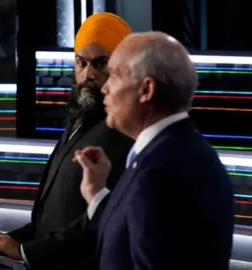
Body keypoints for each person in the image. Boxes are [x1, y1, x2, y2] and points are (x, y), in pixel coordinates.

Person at [0, 13, 134, 270]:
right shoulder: (79, 120)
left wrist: (24, 251)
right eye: (81, 62)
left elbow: (99, 222)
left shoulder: (122, 133)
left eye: (100, 63)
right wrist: (10, 238)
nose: (88, 74)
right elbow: (52, 219)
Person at [74, 32, 234, 270]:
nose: (105, 87)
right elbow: (128, 237)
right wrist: (96, 193)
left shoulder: (161, 174)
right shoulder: (174, 150)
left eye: (114, 74)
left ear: (146, 89)